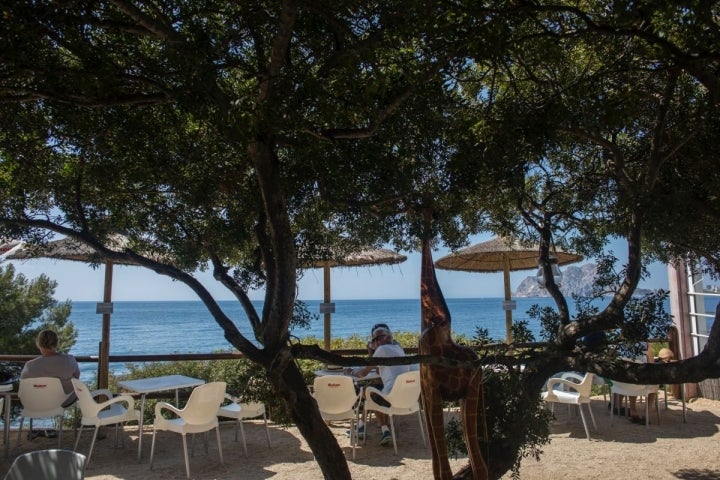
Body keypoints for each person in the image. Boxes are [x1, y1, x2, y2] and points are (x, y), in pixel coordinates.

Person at [346, 325, 410, 446]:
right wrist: (373, 352)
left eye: (377, 338)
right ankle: (361, 426)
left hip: (392, 396)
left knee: (368, 394)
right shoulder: (398, 348)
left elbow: (363, 373)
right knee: (370, 393)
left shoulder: (382, 350)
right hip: (407, 396)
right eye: (374, 340)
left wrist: (350, 371)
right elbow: (376, 368)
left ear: (386, 338)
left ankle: (384, 430)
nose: (376, 342)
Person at [21, 329, 80, 408]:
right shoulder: (69, 360)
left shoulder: (30, 366)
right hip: (66, 401)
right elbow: (76, 377)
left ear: (38, 344)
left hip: (39, 403)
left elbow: (24, 385)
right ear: (56, 343)